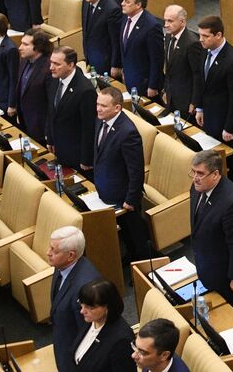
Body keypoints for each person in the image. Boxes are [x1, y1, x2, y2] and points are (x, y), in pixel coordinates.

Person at [189, 148, 233, 316]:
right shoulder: (197, 188)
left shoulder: (232, 203)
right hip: (208, 263)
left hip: (227, 274)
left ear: (215, 174)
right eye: (193, 172)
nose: (195, 178)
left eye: (200, 173)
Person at [93, 86, 150, 264]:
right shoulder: (101, 120)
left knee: (136, 236)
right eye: (97, 104)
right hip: (108, 190)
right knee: (125, 233)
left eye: (103, 106)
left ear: (117, 108)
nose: (98, 109)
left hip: (124, 196)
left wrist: (131, 199)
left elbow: (136, 170)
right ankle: (130, 258)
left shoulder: (128, 133)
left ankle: (143, 269)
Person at [192, 16, 233, 189]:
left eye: (205, 36)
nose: (201, 39)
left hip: (230, 121)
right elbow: (203, 81)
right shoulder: (205, 49)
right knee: (216, 158)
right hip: (211, 114)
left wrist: (229, 127)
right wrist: (200, 108)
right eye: (200, 35)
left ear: (218, 35)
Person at [49, 226, 101, 372]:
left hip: (73, 355)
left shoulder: (84, 287)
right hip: (63, 337)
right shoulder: (62, 265)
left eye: (54, 250)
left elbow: (86, 333)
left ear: (71, 255)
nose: (48, 253)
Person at [46, 46, 96, 172]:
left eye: (57, 64)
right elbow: (51, 111)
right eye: (51, 62)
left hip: (77, 154)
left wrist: (86, 159)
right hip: (59, 147)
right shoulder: (55, 79)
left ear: (71, 65)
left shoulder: (85, 91)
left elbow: (89, 128)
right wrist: (50, 138)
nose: (51, 67)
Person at [71, 278, 134, 372]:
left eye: (90, 308)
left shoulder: (121, 341)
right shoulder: (90, 319)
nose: (82, 311)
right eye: (82, 304)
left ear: (107, 307)